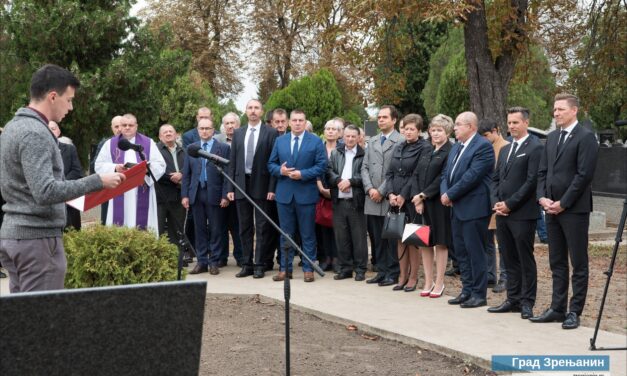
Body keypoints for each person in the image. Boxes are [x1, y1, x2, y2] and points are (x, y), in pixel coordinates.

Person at [0, 64, 124, 293]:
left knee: (24, 321)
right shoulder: (34, 132)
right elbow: (45, 191)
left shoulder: (12, 127)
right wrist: (98, 181)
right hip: (37, 241)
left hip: (17, 237)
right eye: (69, 100)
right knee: (43, 321)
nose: (71, 107)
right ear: (53, 96)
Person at [532, 93, 598, 329]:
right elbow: (543, 172)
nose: (556, 113)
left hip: (574, 210)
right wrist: (542, 197)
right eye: (555, 109)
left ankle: (574, 311)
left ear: (574, 111)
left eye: (560, 109)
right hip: (550, 209)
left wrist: (563, 202)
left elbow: (583, 176)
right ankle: (557, 308)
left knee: (578, 262)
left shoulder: (586, 137)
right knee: (556, 261)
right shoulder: (551, 138)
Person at [488, 107, 543, 319]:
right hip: (502, 213)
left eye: (516, 123)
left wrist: (510, 204)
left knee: (524, 258)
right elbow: (495, 179)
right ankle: (513, 299)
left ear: (526, 123)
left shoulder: (535, 147)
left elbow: (531, 182)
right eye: (509, 123)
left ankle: (527, 302)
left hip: (522, 214)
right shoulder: (505, 149)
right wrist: (496, 203)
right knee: (508, 258)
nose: (511, 126)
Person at [441, 111, 494, 308]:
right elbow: (446, 174)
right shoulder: (456, 147)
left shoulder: (483, 146)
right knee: (461, 252)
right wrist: (444, 192)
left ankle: (479, 295)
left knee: (475, 252)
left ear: (471, 127)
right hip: (456, 207)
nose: (454, 128)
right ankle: (467, 290)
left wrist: (450, 194)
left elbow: (472, 176)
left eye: (458, 124)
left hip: (474, 207)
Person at [268, 110, 327, 282]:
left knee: (307, 233)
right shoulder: (280, 141)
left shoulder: (315, 141)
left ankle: (308, 268)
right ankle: (285, 269)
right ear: (289, 123)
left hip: (306, 194)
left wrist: (303, 174)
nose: (297, 123)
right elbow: (271, 164)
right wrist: (281, 170)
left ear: (305, 121)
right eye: (294, 120)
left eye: (301, 120)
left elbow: (322, 166)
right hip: (284, 195)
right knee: (285, 234)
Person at [227, 99, 279, 279]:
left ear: (262, 111)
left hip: (262, 184)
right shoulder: (238, 133)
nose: (253, 111)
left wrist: (272, 187)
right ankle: (247, 263)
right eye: (250, 108)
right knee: (244, 226)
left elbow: (274, 162)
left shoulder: (271, 133)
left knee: (263, 226)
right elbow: (232, 162)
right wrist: (230, 187)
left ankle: (259, 264)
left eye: (256, 108)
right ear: (245, 111)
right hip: (241, 184)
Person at [95, 113, 166, 235]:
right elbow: (99, 165)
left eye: (130, 125)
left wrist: (147, 170)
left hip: (142, 188)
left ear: (136, 126)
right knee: (119, 228)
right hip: (119, 190)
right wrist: (115, 167)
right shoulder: (110, 144)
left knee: (143, 228)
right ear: (120, 127)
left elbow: (160, 164)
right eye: (124, 125)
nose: (127, 127)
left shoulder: (148, 143)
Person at [410, 114, 454, 298]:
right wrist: (417, 198)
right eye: (433, 130)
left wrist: (424, 195)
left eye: (439, 130)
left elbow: (442, 177)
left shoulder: (450, 151)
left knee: (440, 243)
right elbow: (416, 175)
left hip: (438, 203)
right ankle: (427, 281)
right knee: (424, 243)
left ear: (447, 132)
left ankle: (439, 281)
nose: (435, 133)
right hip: (421, 204)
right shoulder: (427, 150)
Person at [385, 114, 430, 292]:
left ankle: (413, 277)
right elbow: (389, 173)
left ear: (419, 130)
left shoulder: (424, 147)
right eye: (406, 128)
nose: (408, 132)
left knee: (412, 239)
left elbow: (416, 175)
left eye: (412, 129)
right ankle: (402, 276)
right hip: (395, 199)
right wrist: (390, 193)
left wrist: (403, 195)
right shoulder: (398, 146)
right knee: (399, 238)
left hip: (412, 199)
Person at [181, 118, 230, 275]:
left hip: (215, 193)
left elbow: (227, 174)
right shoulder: (192, 148)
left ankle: (214, 262)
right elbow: (186, 174)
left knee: (216, 229)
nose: (204, 131)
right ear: (198, 129)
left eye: (208, 128)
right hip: (196, 193)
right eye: (202, 128)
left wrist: (225, 195)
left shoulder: (222, 148)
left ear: (213, 130)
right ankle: (201, 261)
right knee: (199, 229)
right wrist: (185, 195)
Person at [362, 105, 404, 286]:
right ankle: (381, 270)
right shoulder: (372, 141)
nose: (380, 120)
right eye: (379, 117)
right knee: (376, 236)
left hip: (389, 196)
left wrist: (381, 191)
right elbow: (364, 167)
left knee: (391, 237)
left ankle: (393, 272)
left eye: (384, 117)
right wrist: (370, 189)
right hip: (371, 197)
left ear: (394, 120)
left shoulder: (401, 140)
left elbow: (396, 171)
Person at [327, 124, 367, 281]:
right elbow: (328, 171)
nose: (350, 139)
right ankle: (345, 268)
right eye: (347, 136)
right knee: (341, 237)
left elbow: (365, 175)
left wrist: (350, 181)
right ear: (342, 137)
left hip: (356, 202)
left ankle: (360, 269)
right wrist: (338, 181)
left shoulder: (364, 154)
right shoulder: (336, 153)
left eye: (353, 136)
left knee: (358, 238)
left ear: (358, 138)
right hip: (338, 201)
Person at [478, 118, 510, 293]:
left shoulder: (505, 147)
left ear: (496, 130)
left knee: (502, 243)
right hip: (485, 201)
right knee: (487, 241)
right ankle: (490, 275)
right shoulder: (485, 147)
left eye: (486, 135)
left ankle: (505, 277)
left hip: (499, 200)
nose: (484, 138)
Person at [215, 112, 243, 267]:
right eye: (227, 123)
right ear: (223, 126)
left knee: (238, 225)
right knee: (221, 225)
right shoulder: (217, 142)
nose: (230, 126)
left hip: (239, 189)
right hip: (221, 190)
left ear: (238, 125)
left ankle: (240, 256)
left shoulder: (243, 139)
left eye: (233, 123)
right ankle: (222, 257)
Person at [156, 124, 187, 259]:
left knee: (177, 229)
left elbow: (189, 168)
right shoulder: (155, 151)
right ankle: (160, 259)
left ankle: (177, 259)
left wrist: (181, 174)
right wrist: (171, 177)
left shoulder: (183, 151)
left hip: (179, 196)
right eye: (165, 132)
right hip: (160, 197)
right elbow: (153, 170)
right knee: (158, 229)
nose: (168, 134)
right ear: (160, 136)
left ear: (176, 135)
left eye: (171, 131)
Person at [316, 118, 342, 272]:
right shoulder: (319, 148)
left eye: (334, 129)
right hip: (320, 192)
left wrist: (333, 190)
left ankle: (338, 259)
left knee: (337, 227)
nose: (330, 131)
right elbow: (315, 167)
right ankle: (326, 258)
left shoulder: (343, 149)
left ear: (339, 133)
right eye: (328, 129)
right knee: (323, 227)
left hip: (339, 192)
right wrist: (319, 186)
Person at [49, 121, 83, 230]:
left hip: (69, 197)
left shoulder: (69, 149)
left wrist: (61, 183)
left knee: (72, 234)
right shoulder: (37, 151)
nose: (50, 131)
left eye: (53, 128)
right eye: (47, 129)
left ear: (58, 131)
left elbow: (77, 171)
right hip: (48, 200)